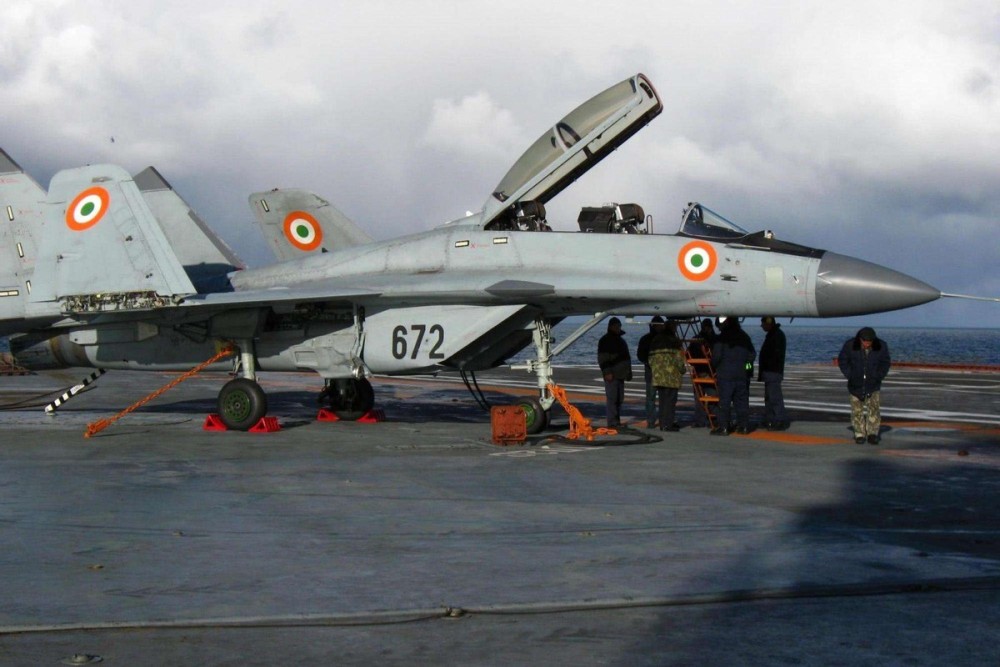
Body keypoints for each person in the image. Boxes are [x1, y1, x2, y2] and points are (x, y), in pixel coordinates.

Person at [838, 326, 891, 444]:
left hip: (873, 384)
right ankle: (859, 434)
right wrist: (850, 375)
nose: (867, 344)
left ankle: (872, 434)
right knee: (857, 410)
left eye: (869, 342)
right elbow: (843, 361)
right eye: (865, 341)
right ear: (860, 339)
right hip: (855, 384)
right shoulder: (850, 345)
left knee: (874, 410)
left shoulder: (881, 346)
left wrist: (878, 376)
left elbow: (885, 363)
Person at [711, 317, 756, 435]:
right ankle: (744, 426)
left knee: (724, 402)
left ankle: (724, 427)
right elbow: (752, 355)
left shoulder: (722, 338)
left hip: (725, 375)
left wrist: (715, 367)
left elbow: (716, 357)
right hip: (741, 375)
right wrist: (746, 368)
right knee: (742, 402)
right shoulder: (744, 336)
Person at [647, 321, 686, 431]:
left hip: (659, 376)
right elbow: (679, 359)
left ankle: (662, 424)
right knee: (670, 402)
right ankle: (668, 424)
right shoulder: (674, 341)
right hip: (671, 377)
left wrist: (656, 370)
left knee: (662, 401)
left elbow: (650, 358)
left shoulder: (656, 339)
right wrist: (682, 370)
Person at [597, 316, 632, 428]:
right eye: (616, 326)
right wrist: (607, 372)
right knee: (612, 399)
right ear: (610, 327)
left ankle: (616, 421)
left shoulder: (621, 341)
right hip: (612, 374)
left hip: (621, 374)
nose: (618, 328)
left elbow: (626, 358)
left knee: (619, 399)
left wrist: (628, 372)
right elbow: (602, 358)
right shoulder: (605, 340)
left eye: (619, 326)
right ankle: (612, 422)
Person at [758, 316, 788, 430]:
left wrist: (767, 366)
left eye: (763, 324)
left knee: (774, 397)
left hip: (772, 372)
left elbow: (774, 355)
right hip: (771, 372)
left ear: (768, 323)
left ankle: (779, 420)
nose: (762, 326)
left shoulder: (775, 336)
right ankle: (770, 419)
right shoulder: (775, 335)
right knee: (770, 398)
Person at [636, 316, 666, 427]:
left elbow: (640, 355)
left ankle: (656, 420)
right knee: (653, 398)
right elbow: (640, 355)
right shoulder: (663, 339)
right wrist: (650, 363)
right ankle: (654, 421)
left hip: (655, 373)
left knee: (655, 398)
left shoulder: (646, 339)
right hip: (655, 373)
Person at [687, 318, 717, 427]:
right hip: (710, 372)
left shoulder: (695, 340)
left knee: (699, 398)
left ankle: (700, 420)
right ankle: (714, 419)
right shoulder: (715, 340)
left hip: (698, 371)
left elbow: (688, 355)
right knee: (713, 397)